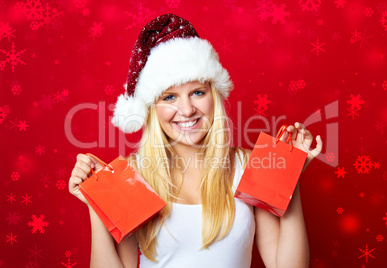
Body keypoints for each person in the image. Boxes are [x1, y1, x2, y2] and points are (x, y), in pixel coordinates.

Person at [68, 13, 323, 268]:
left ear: (214, 96)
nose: (187, 110)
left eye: (197, 92)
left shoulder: (252, 164)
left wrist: (289, 177)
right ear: (152, 108)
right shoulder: (133, 175)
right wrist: (97, 201)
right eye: (169, 97)